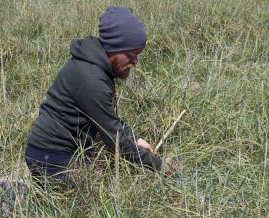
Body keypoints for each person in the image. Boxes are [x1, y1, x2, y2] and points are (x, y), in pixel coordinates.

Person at [25, 6, 178, 186]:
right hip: (49, 157)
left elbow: (109, 122)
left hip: (58, 151)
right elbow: (115, 140)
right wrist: (160, 166)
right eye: (130, 55)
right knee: (93, 194)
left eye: (137, 56)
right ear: (113, 49)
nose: (135, 62)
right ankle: (14, 194)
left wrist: (135, 140)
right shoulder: (92, 80)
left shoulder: (94, 64)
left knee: (100, 177)